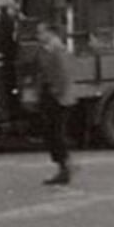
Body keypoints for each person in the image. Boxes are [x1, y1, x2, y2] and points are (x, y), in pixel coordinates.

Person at [37, 28, 77, 186]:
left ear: (50, 32)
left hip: (58, 98)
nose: (38, 35)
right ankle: (65, 167)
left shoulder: (56, 49)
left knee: (56, 133)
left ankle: (65, 168)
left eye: (41, 32)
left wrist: (57, 92)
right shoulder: (48, 49)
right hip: (53, 95)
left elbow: (63, 72)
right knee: (52, 133)